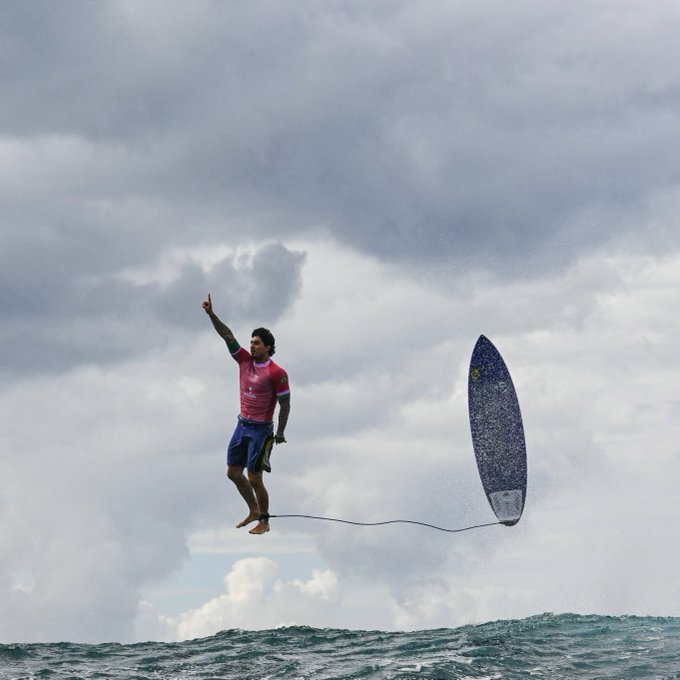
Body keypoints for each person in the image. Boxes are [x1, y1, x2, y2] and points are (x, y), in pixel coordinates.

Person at [202, 293, 290, 535]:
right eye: (251, 342)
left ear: (269, 347)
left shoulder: (277, 372)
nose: (252, 346)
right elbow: (227, 336)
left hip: (261, 430)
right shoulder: (243, 361)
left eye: (257, 343)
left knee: (254, 477)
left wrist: (280, 432)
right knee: (232, 473)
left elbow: (286, 404)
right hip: (242, 425)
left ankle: (264, 520)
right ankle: (253, 510)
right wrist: (211, 315)